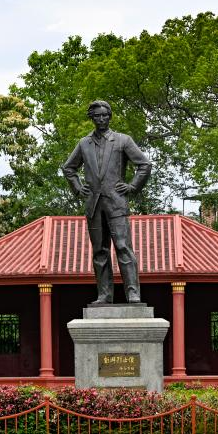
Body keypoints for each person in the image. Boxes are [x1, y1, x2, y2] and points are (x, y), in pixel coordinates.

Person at [61, 100, 152, 304]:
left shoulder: (122, 140)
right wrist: (77, 187)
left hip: (116, 203)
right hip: (94, 205)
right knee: (100, 252)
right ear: (91, 118)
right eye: (97, 116)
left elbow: (144, 165)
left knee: (123, 247)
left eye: (105, 115)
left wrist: (132, 187)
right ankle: (104, 294)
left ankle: (133, 292)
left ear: (110, 116)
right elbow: (69, 168)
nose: (101, 119)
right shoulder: (84, 143)